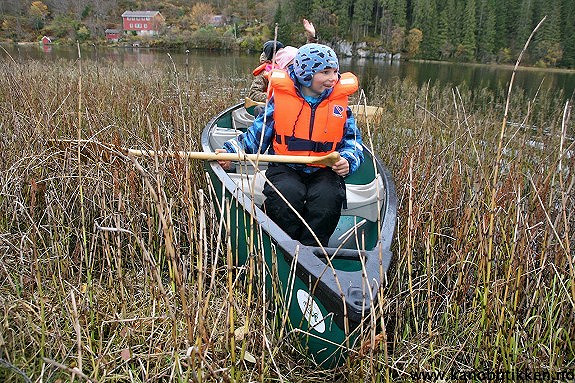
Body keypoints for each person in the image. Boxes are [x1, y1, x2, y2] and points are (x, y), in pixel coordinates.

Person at [217, 43, 364, 247]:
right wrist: (230, 153)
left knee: (327, 199)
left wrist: (348, 160)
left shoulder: (339, 103)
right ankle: (285, 246)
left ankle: (313, 250)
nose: (333, 78)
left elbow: (353, 142)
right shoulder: (280, 100)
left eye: (336, 71)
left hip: (324, 168)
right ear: (306, 74)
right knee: (286, 195)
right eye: (325, 72)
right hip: (286, 167)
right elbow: (256, 137)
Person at [248, 19, 318, 103]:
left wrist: (312, 37)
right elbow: (253, 94)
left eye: (282, 51)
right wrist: (276, 97)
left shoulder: (294, 67)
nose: (282, 55)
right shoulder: (264, 73)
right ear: (270, 57)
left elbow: (307, 55)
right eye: (277, 53)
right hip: (274, 105)